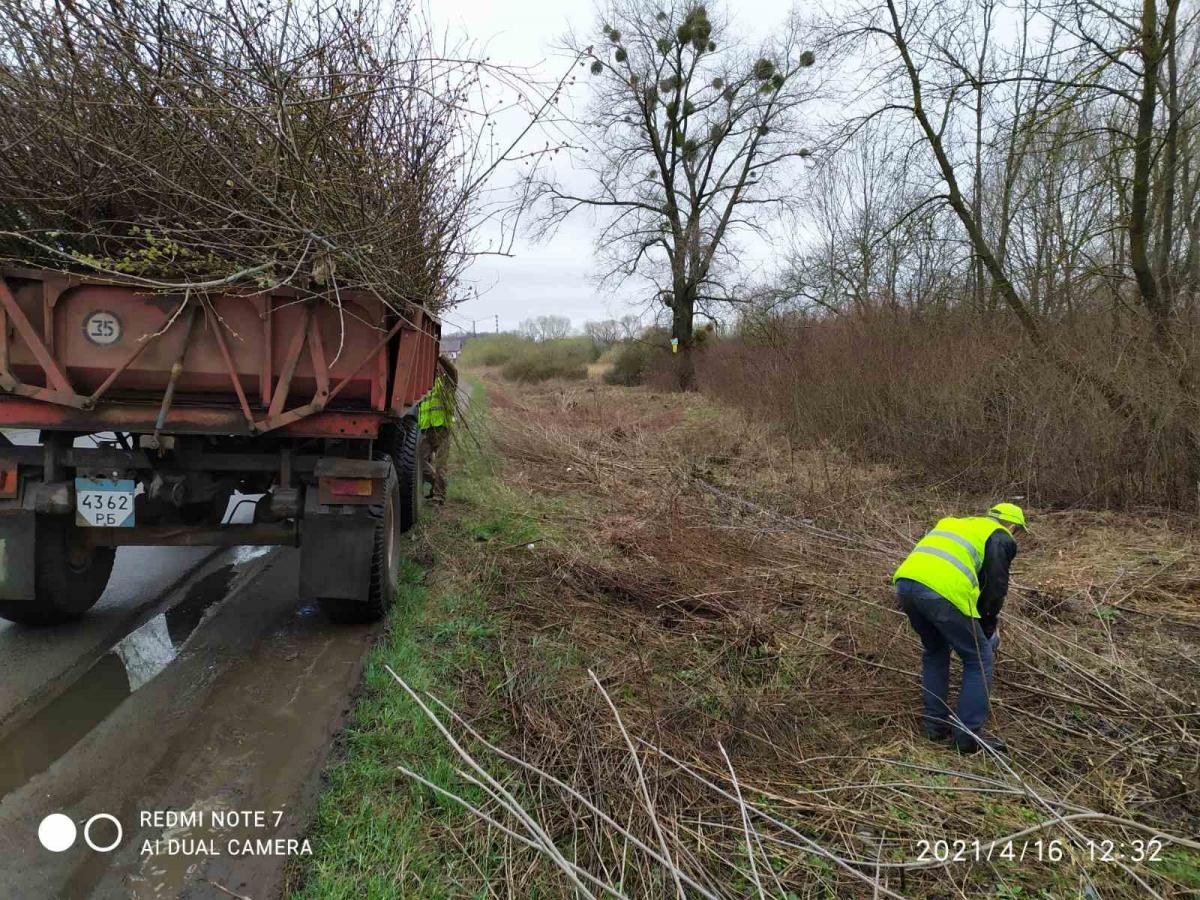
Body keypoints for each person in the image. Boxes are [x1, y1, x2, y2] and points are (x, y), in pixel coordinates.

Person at [892, 503, 1028, 754]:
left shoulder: (956, 523)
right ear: (1012, 525)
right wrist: (987, 630)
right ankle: (967, 736)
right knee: (979, 658)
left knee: (935, 651)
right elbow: (995, 587)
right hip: (942, 591)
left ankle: (934, 727)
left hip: (905, 585)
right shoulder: (999, 535)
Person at [418, 357, 457, 504]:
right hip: (426, 430)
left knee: (441, 464)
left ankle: (438, 496)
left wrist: (438, 356)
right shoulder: (423, 387)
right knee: (419, 461)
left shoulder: (446, 384)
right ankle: (437, 483)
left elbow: (453, 371)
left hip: (442, 429)